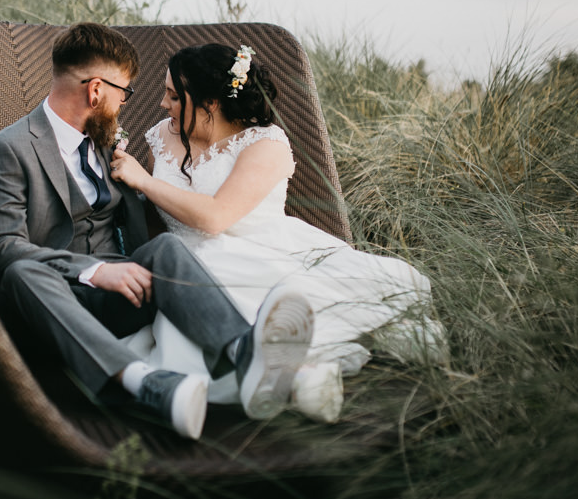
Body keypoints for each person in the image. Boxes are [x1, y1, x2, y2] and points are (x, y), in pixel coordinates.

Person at [0, 24, 316, 440]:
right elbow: (1, 248)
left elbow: (134, 221)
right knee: (19, 271)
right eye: (125, 92)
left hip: (114, 297)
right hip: (46, 301)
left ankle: (247, 354)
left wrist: (142, 267)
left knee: (168, 247)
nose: (127, 102)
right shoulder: (9, 148)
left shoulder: (105, 141)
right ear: (96, 91)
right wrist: (94, 272)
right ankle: (144, 385)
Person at [110, 44, 447, 423]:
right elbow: (161, 218)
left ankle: (294, 374)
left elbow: (217, 217)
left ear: (210, 103)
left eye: (173, 95)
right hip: (184, 261)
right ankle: (294, 378)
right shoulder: (161, 138)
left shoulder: (266, 144)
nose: (161, 104)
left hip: (268, 251)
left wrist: (143, 180)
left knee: (289, 308)